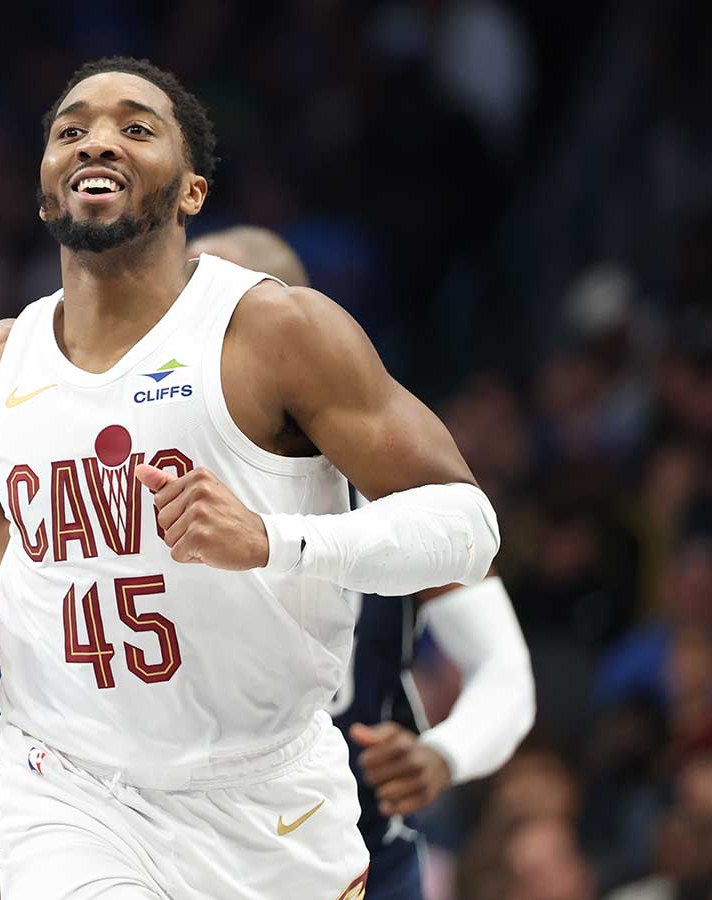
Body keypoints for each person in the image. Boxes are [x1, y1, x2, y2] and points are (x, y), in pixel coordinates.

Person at [0, 57, 502, 898]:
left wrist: (274, 540)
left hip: (267, 800)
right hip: (67, 786)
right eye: (71, 130)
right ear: (45, 188)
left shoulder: (276, 332)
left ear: (192, 192)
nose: (96, 141)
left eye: (135, 127)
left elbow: (469, 529)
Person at [190, 225, 536, 899]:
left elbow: (504, 672)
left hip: (359, 855)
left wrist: (443, 754)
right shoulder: (139, 481)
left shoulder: (392, 490)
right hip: (191, 854)